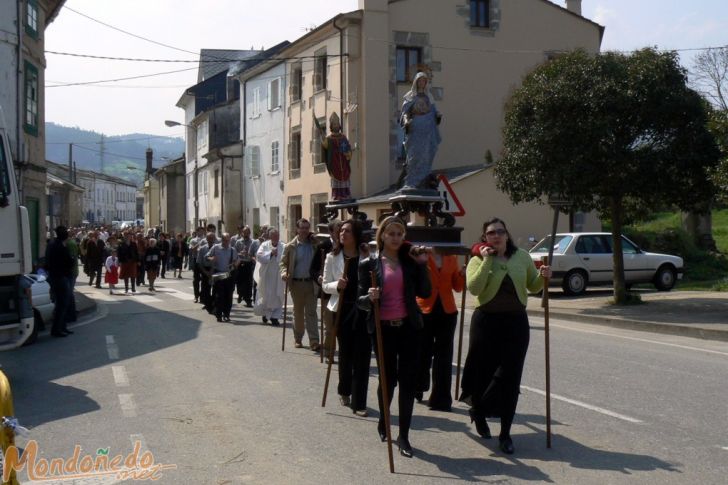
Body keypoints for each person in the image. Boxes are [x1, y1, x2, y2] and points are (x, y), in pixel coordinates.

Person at [460, 218, 551, 455]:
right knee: (482, 374)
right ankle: (479, 413)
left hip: (516, 323)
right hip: (486, 323)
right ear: (485, 238)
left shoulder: (521, 256)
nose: (496, 236)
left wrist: (543, 276)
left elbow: (532, 286)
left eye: (500, 231)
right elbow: (475, 288)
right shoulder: (478, 259)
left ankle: (505, 434)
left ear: (507, 235)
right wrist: (489, 259)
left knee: (510, 378)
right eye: (491, 233)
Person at [357, 216, 431, 458]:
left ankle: (404, 436)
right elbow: (360, 301)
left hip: (409, 328)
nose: (396, 238)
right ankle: (384, 421)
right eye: (392, 234)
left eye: (400, 234)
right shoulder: (369, 264)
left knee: (408, 382)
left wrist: (422, 265)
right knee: (388, 382)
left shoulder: (410, 262)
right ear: (382, 236)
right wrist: (370, 297)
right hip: (383, 329)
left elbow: (426, 292)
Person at [322, 219, 371, 416]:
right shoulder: (332, 258)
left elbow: (376, 279)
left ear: (356, 235)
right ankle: (344, 390)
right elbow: (325, 284)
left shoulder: (367, 255)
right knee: (346, 354)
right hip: (341, 310)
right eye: (341, 231)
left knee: (363, 356)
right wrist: (337, 285)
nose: (343, 234)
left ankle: (359, 402)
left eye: (348, 231)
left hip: (363, 310)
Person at [415, 248, 465, 412]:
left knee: (444, 356)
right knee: (423, 352)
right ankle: (419, 385)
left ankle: (441, 399)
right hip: (424, 309)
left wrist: (462, 275)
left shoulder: (452, 256)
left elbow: (457, 287)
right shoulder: (420, 253)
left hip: (447, 310)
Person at [280, 218, 320, 351]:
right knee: (297, 313)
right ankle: (298, 338)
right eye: (302, 228)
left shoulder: (314, 245)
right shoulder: (290, 246)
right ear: (297, 229)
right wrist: (284, 273)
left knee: (311, 313)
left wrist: (316, 239)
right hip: (296, 283)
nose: (304, 230)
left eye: (306, 228)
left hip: (311, 283)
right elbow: (283, 263)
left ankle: (314, 340)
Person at [399, 71, 442, 189]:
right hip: (415, 129)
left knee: (426, 154)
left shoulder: (429, 97)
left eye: (424, 81)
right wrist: (407, 121)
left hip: (427, 130)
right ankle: (411, 182)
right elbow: (405, 113)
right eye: (420, 81)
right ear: (416, 82)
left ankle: (424, 180)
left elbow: (434, 111)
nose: (422, 83)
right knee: (414, 155)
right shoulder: (410, 96)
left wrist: (437, 114)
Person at [311, 220, 342, 358]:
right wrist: (318, 277)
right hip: (328, 292)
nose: (340, 233)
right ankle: (329, 352)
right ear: (331, 232)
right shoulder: (323, 246)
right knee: (329, 326)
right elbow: (312, 269)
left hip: (345, 293)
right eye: (338, 230)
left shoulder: (348, 247)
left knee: (341, 327)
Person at [44, 225, 75, 337]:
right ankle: (57, 329)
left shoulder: (52, 245)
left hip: (56, 276)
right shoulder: (59, 246)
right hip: (60, 277)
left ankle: (62, 327)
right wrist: (71, 259)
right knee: (62, 304)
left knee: (61, 304)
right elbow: (68, 261)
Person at [254, 228, 285, 325]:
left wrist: (277, 255)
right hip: (267, 276)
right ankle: (266, 314)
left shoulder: (283, 246)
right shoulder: (264, 245)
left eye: (278, 235)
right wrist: (270, 253)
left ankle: (275, 317)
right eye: (274, 236)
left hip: (279, 276)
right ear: (270, 236)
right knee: (266, 295)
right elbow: (259, 256)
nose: (276, 237)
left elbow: (286, 257)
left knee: (278, 295)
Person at [319, 112, 353, 201]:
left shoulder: (343, 137)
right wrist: (323, 139)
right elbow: (326, 146)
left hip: (343, 160)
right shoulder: (329, 138)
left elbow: (348, 147)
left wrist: (348, 153)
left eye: (337, 124)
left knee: (345, 176)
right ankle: (337, 195)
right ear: (331, 126)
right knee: (336, 177)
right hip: (334, 161)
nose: (336, 125)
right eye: (334, 124)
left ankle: (346, 194)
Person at [208, 233, 238, 322]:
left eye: (228, 240)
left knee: (228, 296)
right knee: (219, 296)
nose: (226, 242)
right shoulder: (216, 247)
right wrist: (211, 259)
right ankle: (219, 315)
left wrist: (235, 264)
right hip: (219, 274)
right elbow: (207, 256)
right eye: (225, 240)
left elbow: (236, 260)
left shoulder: (232, 250)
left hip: (228, 275)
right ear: (222, 240)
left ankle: (226, 314)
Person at [234, 226, 255, 307]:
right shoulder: (238, 242)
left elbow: (254, 253)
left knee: (249, 282)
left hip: (249, 263)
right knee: (239, 281)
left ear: (249, 233)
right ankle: (240, 294)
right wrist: (240, 253)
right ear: (242, 233)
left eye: (247, 232)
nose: (245, 234)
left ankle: (248, 299)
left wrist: (249, 255)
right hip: (240, 263)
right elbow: (234, 253)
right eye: (244, 232)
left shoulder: (253, 242)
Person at [196, 232, 217, 314]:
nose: (211, 240)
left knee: (216, 290)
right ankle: (208, 306)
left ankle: (214, 305)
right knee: (206, 290)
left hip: (215, 270)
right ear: (206, 239)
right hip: (206, 270)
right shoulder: (202, 249)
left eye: (212, 238)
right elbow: (199, 262)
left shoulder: (218, 248)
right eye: (209, 238)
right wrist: (205, 272)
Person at [189, 227, 205, 303]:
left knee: (204, 279)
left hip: (204, 261)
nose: (201, 233)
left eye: (202, 231)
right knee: (196, 279)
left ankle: (202, 296)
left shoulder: (206, 240)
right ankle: (196, 296)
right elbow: (192, 249)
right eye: (200, 231)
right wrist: (199, 243)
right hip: (196, 260)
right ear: (197, 232)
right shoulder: (193, 240)